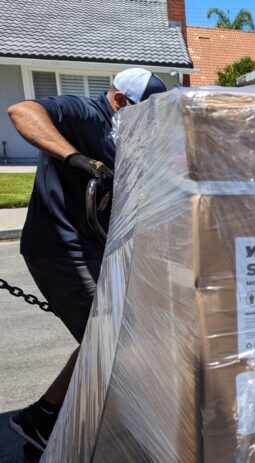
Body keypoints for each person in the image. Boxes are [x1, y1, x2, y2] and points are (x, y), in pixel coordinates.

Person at [5, 68, 167, 451]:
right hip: (61, 248)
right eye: (143, 113)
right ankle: (70, 425)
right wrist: (77, 158)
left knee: (109, 337)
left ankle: (43, 418)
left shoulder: (129, 134)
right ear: (118, 100)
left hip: (96, 247)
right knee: (113, 340)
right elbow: (21, 111)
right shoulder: (84, 111)